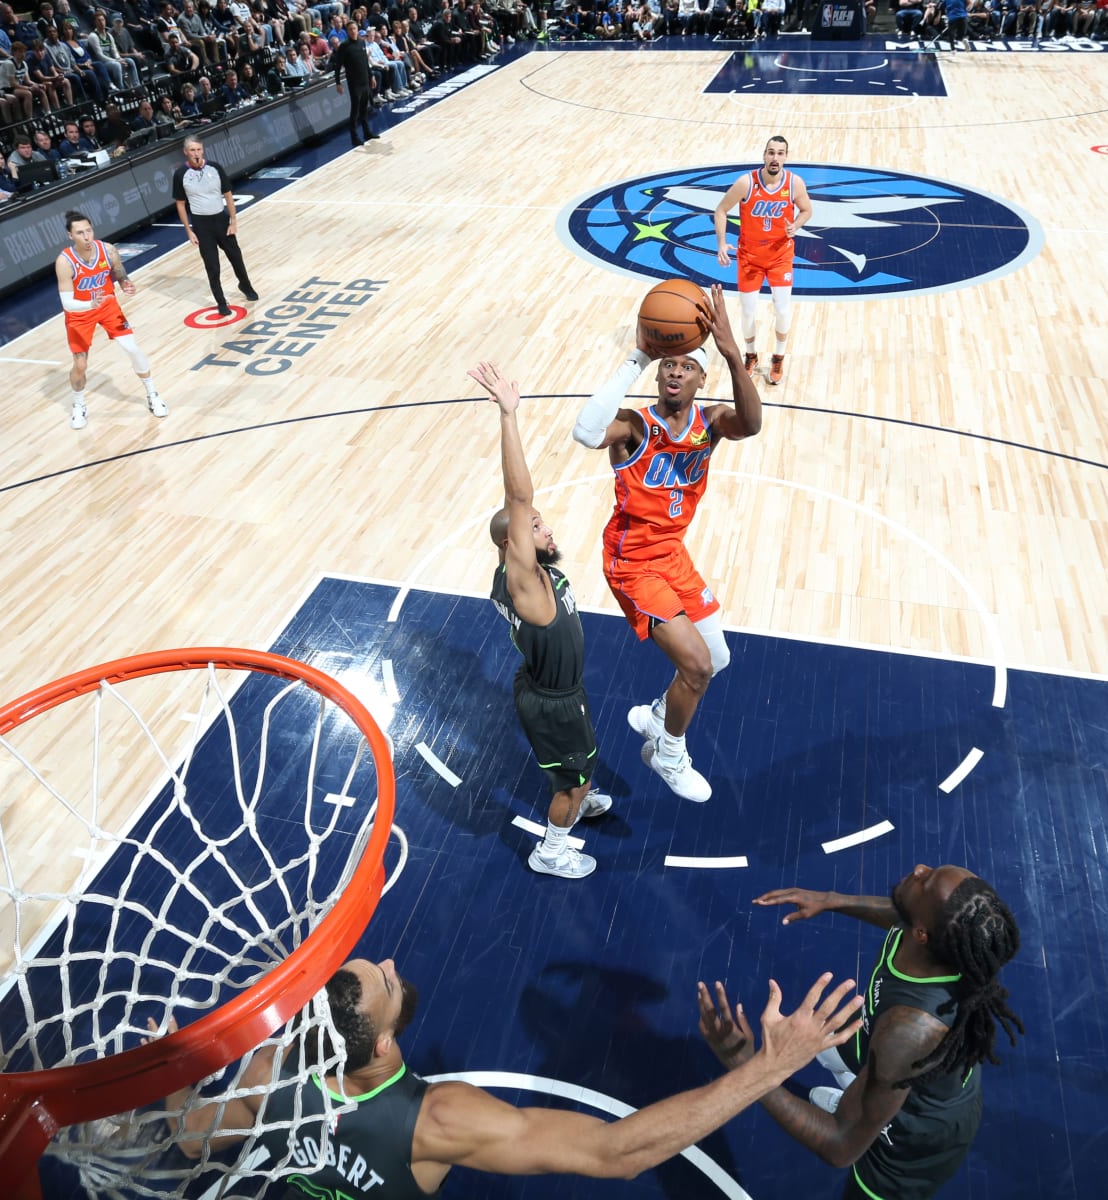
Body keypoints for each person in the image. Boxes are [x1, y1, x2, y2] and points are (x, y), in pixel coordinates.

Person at [159, 956, 865, 1194]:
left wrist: (170, 1067)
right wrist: (769, 1065)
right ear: (377, 1043)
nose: (396, 969)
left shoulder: (269, 1073)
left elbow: (190, 1139)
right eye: (387, 980)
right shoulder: (439, 1120)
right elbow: (617, 1154)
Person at [698, 867, 1024, 1199]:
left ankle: (865, 1115)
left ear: (923, 935)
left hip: (912, 1139)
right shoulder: (927, 937)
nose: (920, 870)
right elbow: (902, 915)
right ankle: (859, 1103)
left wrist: (747, 1066)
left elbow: (840, 1147)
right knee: (833, 1044)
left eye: (925, 883)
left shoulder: (909, 1030)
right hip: (888, 1056)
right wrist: (831, 900)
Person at [567, 284, 759, 804]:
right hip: (632, 563)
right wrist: (636, 356)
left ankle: (656, 716)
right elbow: (585, 433)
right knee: (695, 666)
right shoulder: (634, 426)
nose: (673, 372)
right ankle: (666, 752)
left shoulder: (711, 423)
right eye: (666, 366)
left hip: (671, 555)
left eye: (685, 366)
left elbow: (753, 423)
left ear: (701, 377)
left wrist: (732, 354)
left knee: (716, 659)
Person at [470, 360, 612, 880]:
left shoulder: (517, 575)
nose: (544, 528)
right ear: (515, 545)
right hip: (554, 701)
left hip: (550, 688)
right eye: (534, 528)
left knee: (582, 761)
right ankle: (552, 847)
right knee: (566, 785)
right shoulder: (524, 581)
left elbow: (520, 515)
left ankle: (582, 788)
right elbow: (518, 496)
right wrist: (509, 416)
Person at [712, 134, 813, 385]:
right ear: (764, 155)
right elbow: (721, 209)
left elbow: (807, 210)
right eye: (771, 152)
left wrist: (796, 226)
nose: (775, 157)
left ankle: (778, 357)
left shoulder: (794, 183)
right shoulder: (746, 183)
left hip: (780, 256)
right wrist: (721, 243)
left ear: (786, 157)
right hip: (750, 258)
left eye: (780, 153)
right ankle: (751, 355)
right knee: (747, 312)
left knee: (781, 309)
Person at [56, 210, 165, 430]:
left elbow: (118, 270)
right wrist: (89, 304)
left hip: (106, 306)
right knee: (80, 364)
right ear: (70, 236)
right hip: (79, 313)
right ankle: (79, 405)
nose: (87, 237)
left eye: (89, 230)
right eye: (80, 233)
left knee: (132, 348)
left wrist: (125, 282)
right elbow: (67, 303)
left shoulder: (107, 250)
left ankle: (152, 394)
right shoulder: (65, 262)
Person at [172, 136, 259, 317]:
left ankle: (245, 285)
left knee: (236, 256)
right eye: (192, 150)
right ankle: (221, 301)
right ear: (185, 152)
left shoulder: (215, 168)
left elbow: (228, 195)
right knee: (212, 266)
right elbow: (180, 204)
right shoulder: (181, 174)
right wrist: (189, 230)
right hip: (201, 225)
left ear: (203, 150)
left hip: (221, 219)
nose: (196, 153)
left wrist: (233, 221)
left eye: (199, 150)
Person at [330, 15, 378, 146]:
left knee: (364, 108)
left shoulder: (362, 43)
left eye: (355, 29)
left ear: (357, 29)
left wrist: (371, 76)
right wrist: (338, 83)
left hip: (364, 81)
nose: (353, 31)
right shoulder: (344, 46)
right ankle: (354, 137)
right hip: (354, 83)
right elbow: (338, 66)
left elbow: (365, 62)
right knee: (355, 110)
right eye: (350, 29)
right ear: (347, 31)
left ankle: (367, 132)